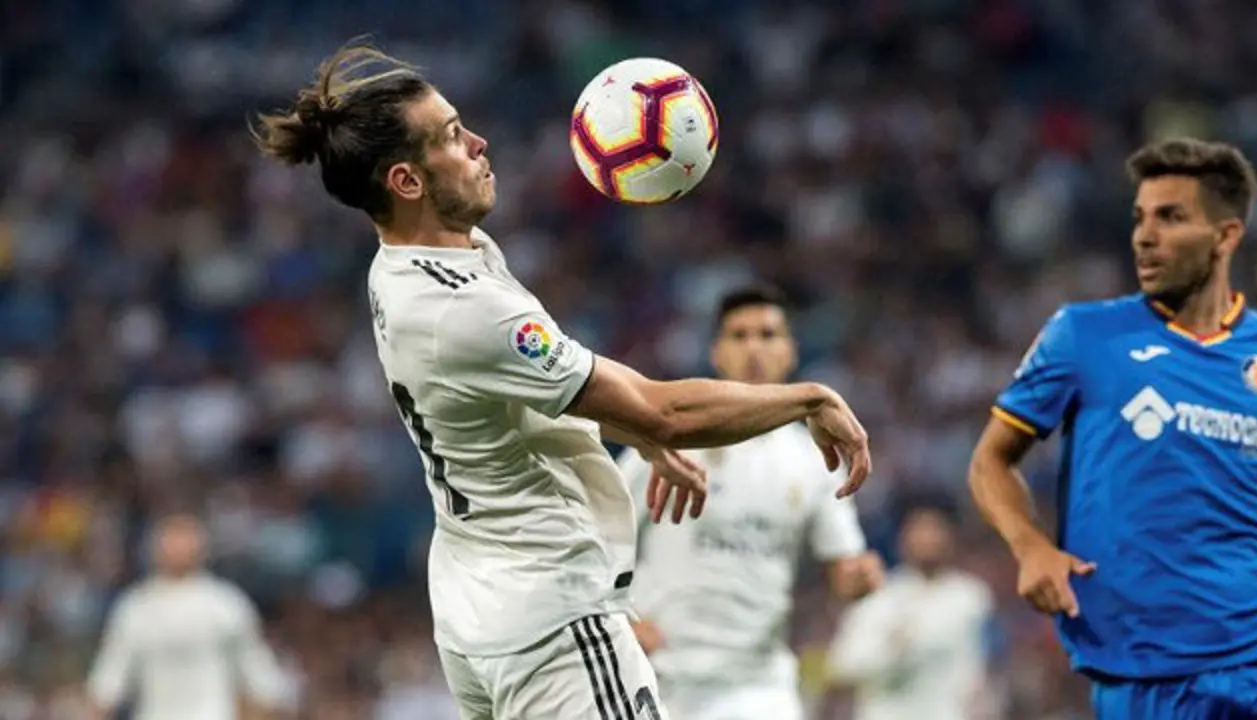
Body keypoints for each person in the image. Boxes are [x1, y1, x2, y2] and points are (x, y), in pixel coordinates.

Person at [252, 41, 872, 720]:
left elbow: (542, 395)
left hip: (479, 604)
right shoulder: (464, 308)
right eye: (455, 137)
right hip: (553, 615)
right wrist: (806, 398)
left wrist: (635, 425)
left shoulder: (415, 263)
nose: (481, 143)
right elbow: (663, 411)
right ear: (407, 181)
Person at [968, 137, 1257, 718]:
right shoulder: (1085, 335)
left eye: (1170, 217)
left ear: (1226, 235)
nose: (1144, 235)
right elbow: (990, 462)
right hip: (1145, 667)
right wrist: (1031, 546)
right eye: (1139, 217)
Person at [615, 285, 885, 720]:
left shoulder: (816, 460)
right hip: (658, 674)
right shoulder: (672, 440)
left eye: (767, 334)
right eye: (739, 336)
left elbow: (843, 570)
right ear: (717, 352)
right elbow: (603, 530)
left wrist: (860, 580)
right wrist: (622, 620)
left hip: (755, 684)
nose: (753, 348)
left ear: (790, 352)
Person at [86, 514, 289, 720]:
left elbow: (259, 671)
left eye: (186, 538)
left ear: (202, 546)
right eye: (171, 538)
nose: (179, 547)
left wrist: (271, 704)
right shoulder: (136, 608)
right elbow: (109, 679)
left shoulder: (226, 604)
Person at [826, 501, 994, 720]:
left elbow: (980, 664)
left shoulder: (971, 597)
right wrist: (892, 647)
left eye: (936, 530)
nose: (929, 539)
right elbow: (843, 665)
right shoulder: (879, 597)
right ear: (903, 539)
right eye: (921, 531)